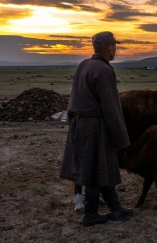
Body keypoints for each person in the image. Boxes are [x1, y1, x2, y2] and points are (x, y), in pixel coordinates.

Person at [60, 31, 134, 227]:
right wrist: (122, 140)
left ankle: (116, 208)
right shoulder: (103, 70)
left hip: (79, 124)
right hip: (95, 126)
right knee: (96, 168)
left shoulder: (84, 65)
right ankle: (90, 214)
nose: (115, 49)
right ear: (110, 48)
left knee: (102, 166)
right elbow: (112, 108)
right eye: (115, 46)